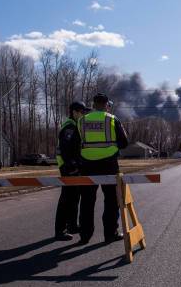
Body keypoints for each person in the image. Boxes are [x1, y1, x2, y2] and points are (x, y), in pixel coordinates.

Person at [77, 93, 129, 245]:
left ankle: (85, 235)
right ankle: (110, 233)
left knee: (87, 201)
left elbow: (76, 143)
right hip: (108, 164)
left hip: (87, 164)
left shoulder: (82, 120)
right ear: (107, 105)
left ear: (93, 105)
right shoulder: (112, 119)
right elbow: (124, 142)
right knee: (112, 201)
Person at [54, 101, 90, 241]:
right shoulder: (69, 127)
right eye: (82, 112)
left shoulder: (75, 125)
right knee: (66, 198)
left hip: (72, 167)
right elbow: (65, 150)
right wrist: (72, 166)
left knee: (75, 197)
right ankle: (60, 230)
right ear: (74, 112)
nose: (83, 114)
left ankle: (72, 225)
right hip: (67, 167)